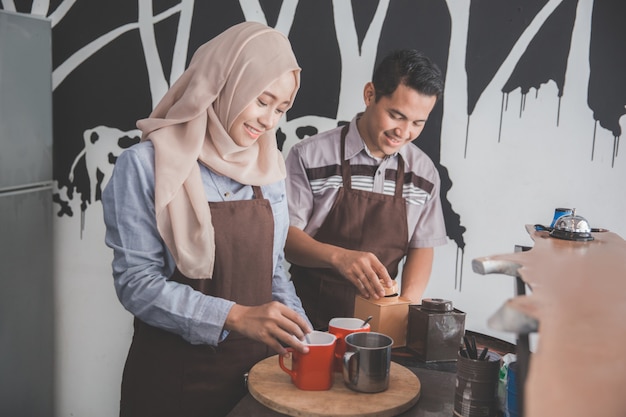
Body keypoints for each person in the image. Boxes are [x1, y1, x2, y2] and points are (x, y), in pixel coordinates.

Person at [102, 22, 312, 417]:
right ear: (225, 83)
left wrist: (303, 333)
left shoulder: (269, 169)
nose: (270, 121)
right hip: (175, 381)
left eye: (281, 109)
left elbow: (272, 274)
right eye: (262, 100)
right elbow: (136, 284)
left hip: (262, 381)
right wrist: (235, 316)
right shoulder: (145, 166)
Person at [285, 49, 447, 330]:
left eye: (418, 123)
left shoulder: (424, 173)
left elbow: (422, 246)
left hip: (381, 330)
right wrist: (339, 257)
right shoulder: (309, 156)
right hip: (306, 321)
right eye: (396, 116)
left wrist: (405, 306)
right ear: (370, 95)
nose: (404, 132)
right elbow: (285, 239)